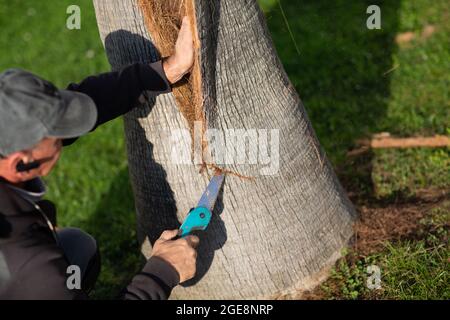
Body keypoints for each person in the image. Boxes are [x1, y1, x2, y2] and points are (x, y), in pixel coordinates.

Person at [0, 17, 198, 300]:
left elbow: (83, 101)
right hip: (26, 272)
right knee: (64, 262)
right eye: (57, 138)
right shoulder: (28, 261)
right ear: (20, 163)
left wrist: (166, 70)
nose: (65, 138)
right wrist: (162, 271)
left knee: (76, 249)